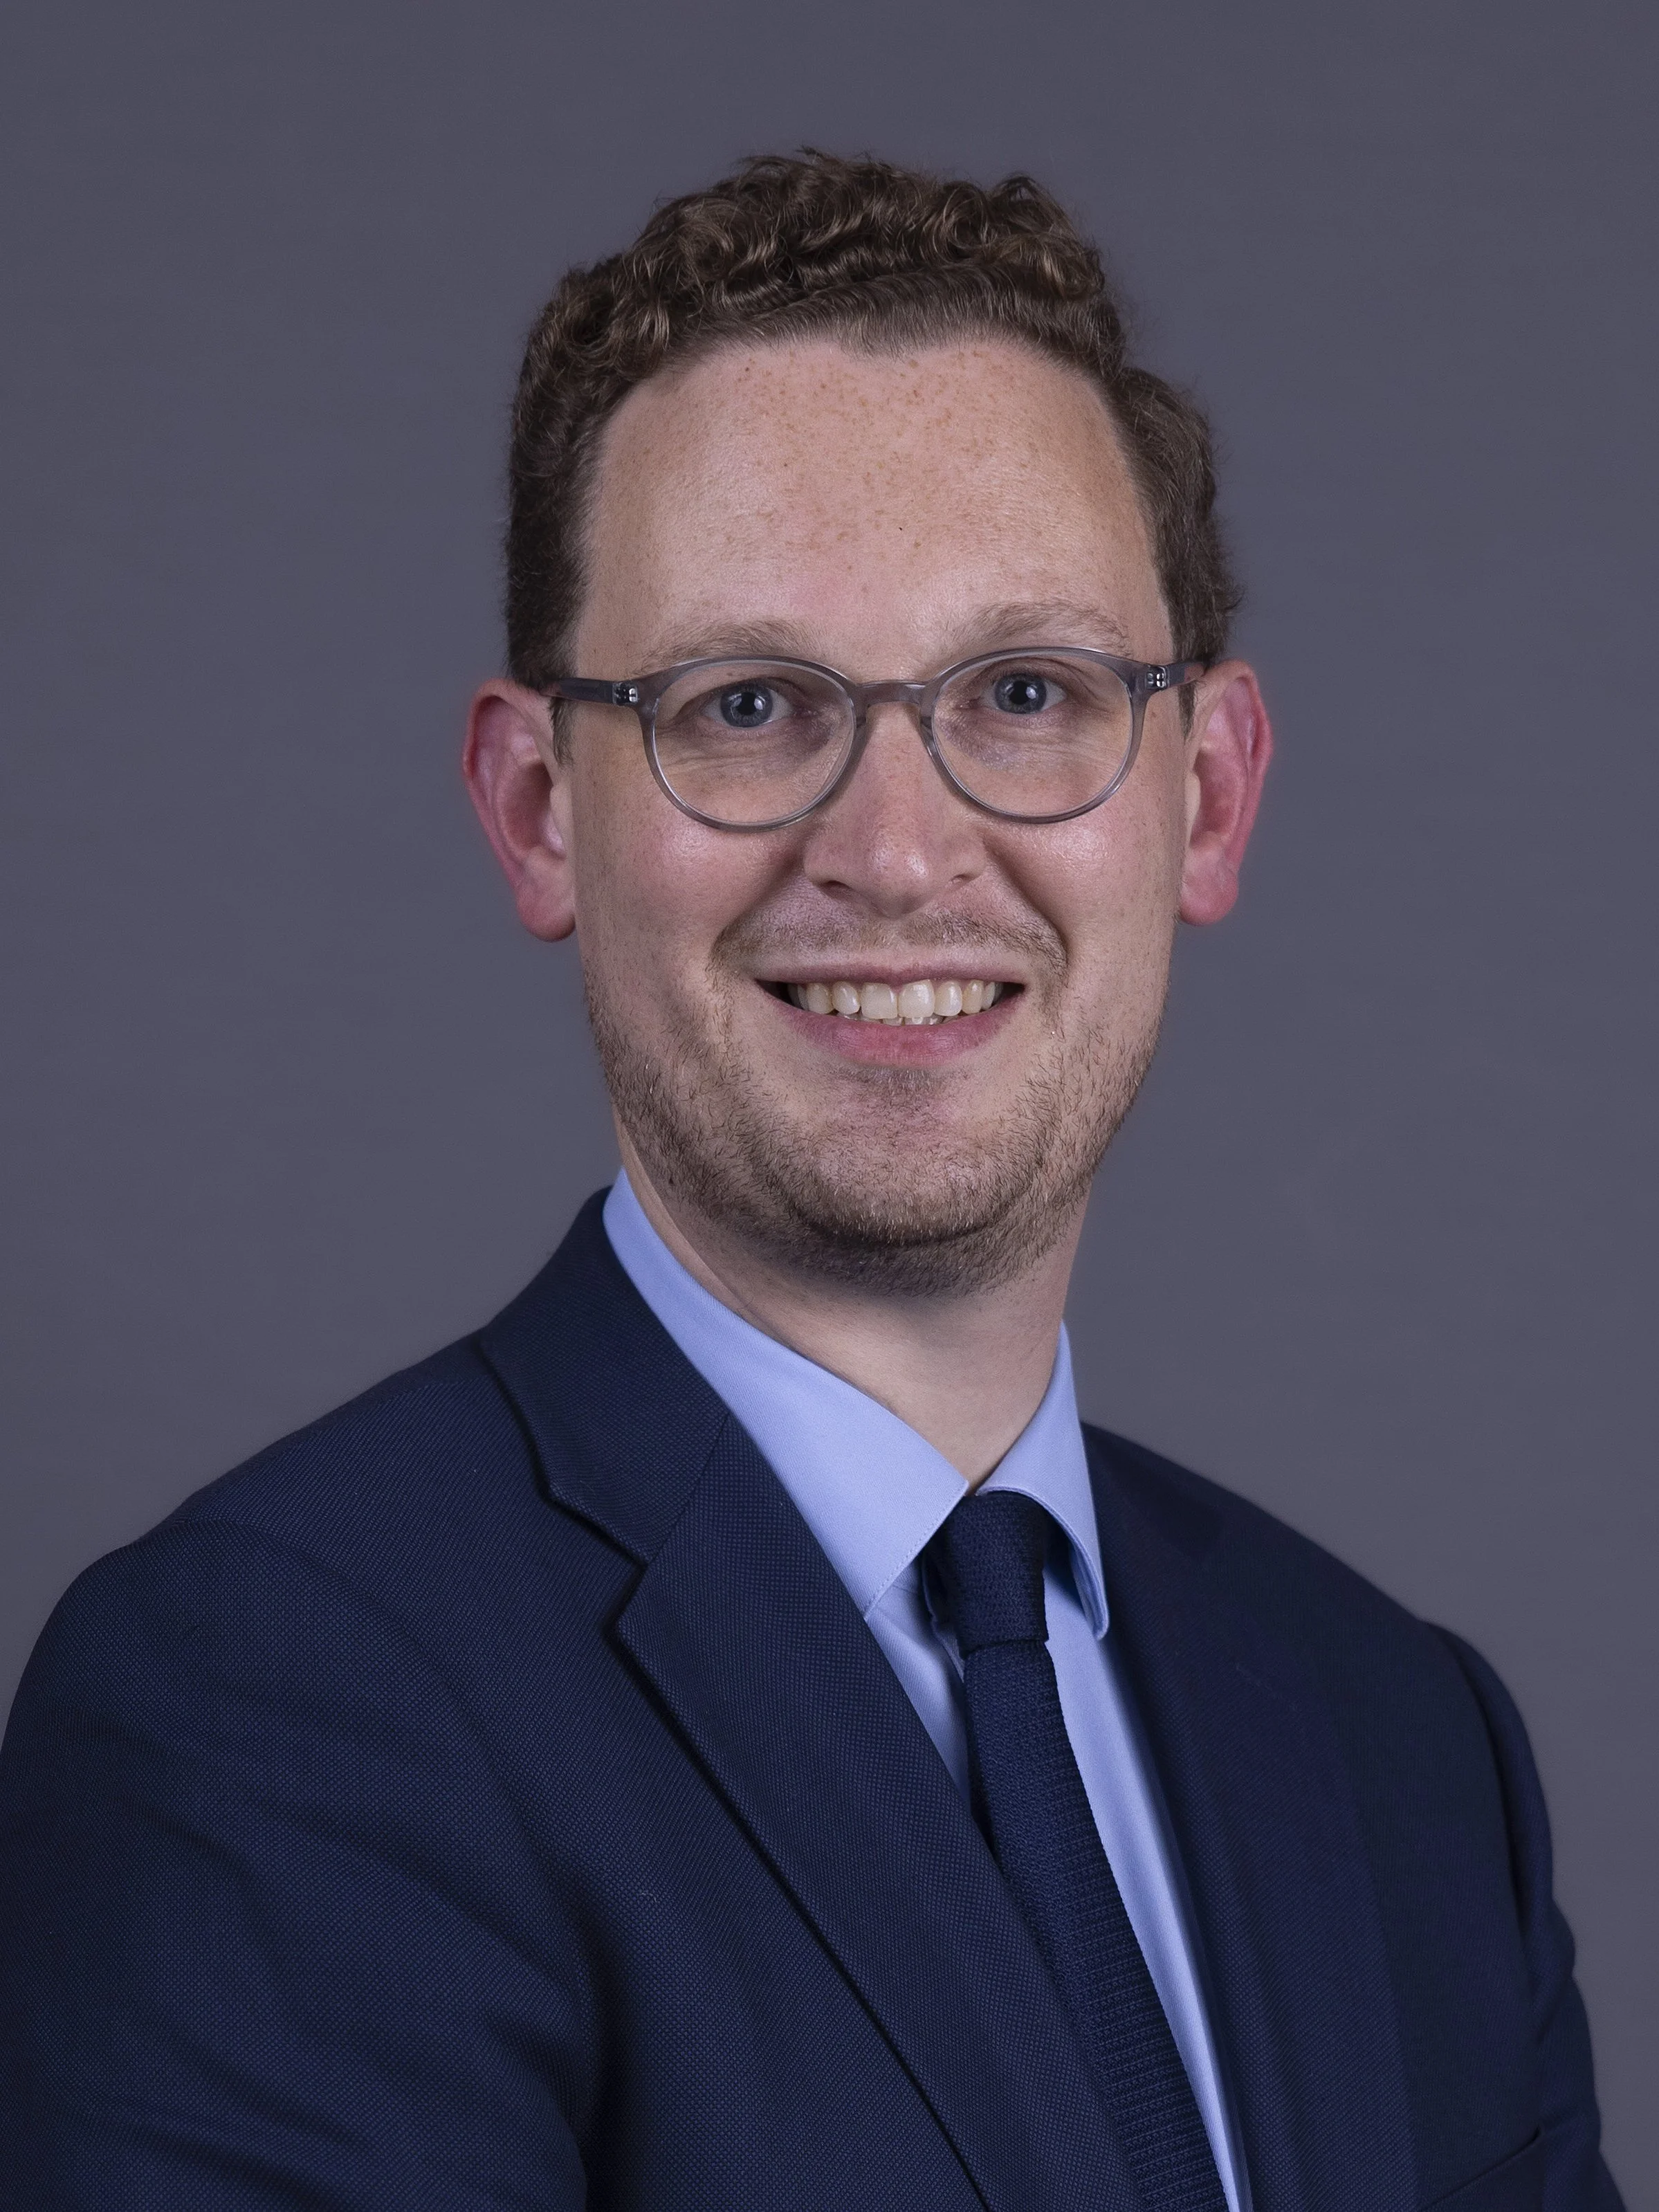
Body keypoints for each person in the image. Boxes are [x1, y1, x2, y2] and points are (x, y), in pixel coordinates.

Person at [0, 152, 1620, 2212]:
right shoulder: (267, 1709)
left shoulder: (1399, 1743)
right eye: (747, 706)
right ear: (535, 813)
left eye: (1023, 695)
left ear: (1202, 801)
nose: (895, 847)